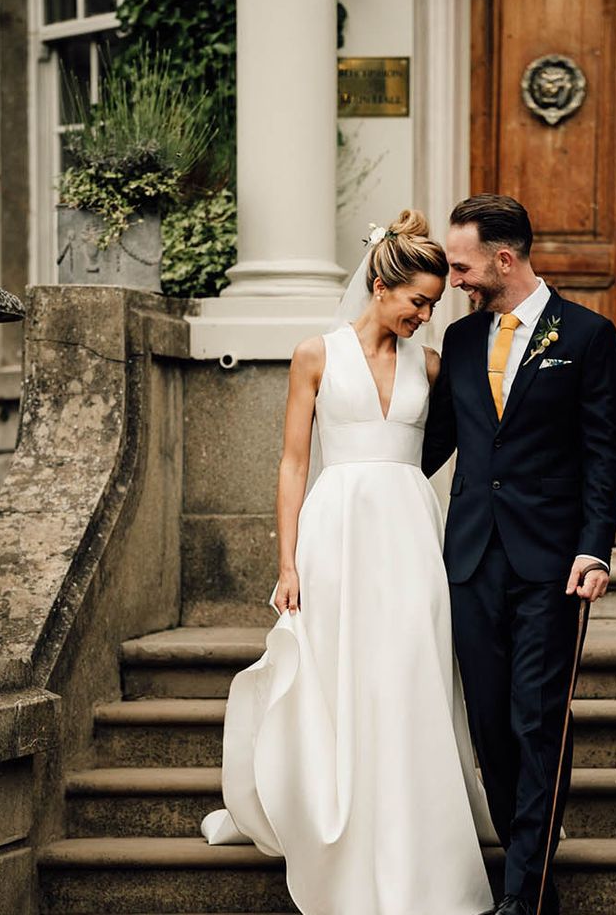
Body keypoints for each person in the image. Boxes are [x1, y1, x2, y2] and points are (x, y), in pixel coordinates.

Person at [201, 209, 496, 915]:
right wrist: (288, 563)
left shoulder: (431, 365)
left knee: (411, 672)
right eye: (417, 301)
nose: (425, 316)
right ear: (380, 285)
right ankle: (340, 823)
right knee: (342, 675)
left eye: (434, 304)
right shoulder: (315, 355)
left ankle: (415, 837)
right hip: (335, 533)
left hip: (411, 534)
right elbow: (292, 465)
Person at [422, 194, 616, 915]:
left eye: (461, 267)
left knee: (536, 721)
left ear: (503, 259)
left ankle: (523, 898)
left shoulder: (589, 335)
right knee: (489, 727)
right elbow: (432, 443)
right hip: (471, 560)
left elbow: (603, 455)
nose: (453, 281)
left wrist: (594, 550)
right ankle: (532, 871)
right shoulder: (460, 341)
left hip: (552, 566)